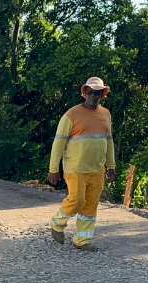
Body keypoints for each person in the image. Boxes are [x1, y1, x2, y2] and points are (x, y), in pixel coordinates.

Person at [46, 77, 116, 252]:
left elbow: (109, 142)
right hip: (75, 168)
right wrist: (53, 169)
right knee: (77, 200)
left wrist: (111, 166)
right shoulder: (71, 115)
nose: (93, 96)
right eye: (90, 92)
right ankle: (57, 223)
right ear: (85, 93)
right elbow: (59, 143)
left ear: (102, 94)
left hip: (97, 169)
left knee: (91, 204)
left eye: (97, 93)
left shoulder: (105, 114)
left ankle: (82, 240)